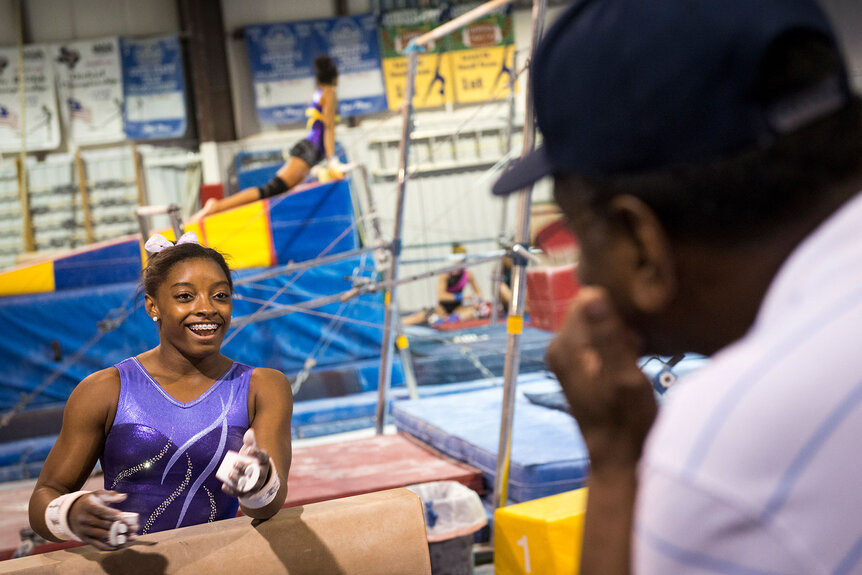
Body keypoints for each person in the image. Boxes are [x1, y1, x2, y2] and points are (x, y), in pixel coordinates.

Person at [493, 0, 862, 573]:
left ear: (641, 242)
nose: (586, 276)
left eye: (581, 241)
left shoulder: (727, 445)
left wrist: (618, 465)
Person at [29, 232, 293, 551]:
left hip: (221, 564)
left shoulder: (262, 387)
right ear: (153, 306)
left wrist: (257, 485)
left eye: (220, 295)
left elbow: (266, 508)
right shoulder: (104, 391)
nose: (207, 308)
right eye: (185, 296)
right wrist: (70, 514)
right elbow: (45, 496)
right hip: (133, 565)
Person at [190, 55, 341, 223]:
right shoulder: (330, 93)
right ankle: (216, 206)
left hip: (310, 149)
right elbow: (328, 128)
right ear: (335, 78)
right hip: (311, 149)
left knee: (275, 191)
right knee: (271, 190)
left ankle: (218, 208)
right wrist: (331, 157)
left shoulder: (319, 92)